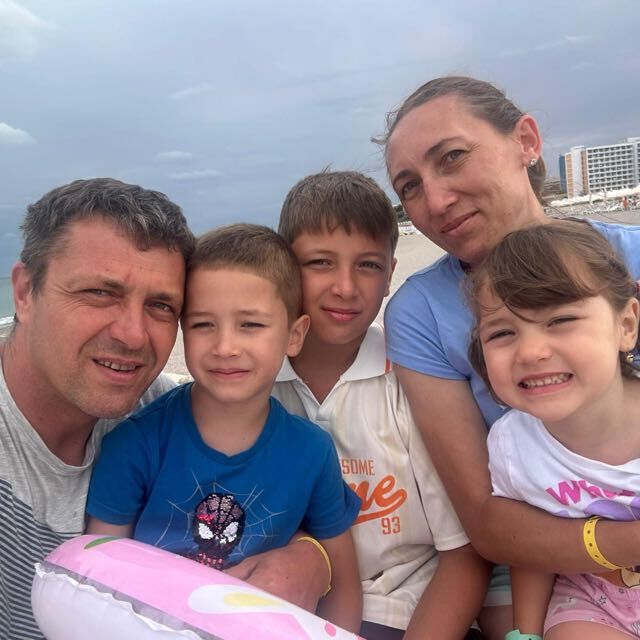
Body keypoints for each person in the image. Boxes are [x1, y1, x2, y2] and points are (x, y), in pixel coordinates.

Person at [0, 179, 327, 640]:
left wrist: (312, 556)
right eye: (100, 292)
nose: (133, 335)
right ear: (25, 292)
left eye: (160, 305)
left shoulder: (154, 403)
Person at [380, 76, 640, 639]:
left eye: (452, 157)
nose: (436, 201)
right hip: (550, 573)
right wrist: (623, 545)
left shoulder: (631, 258)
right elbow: (489, 522)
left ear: (526, 141)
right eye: (410, 187)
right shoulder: (422, 313)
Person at [87, 223, 363, 632]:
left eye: (250, 325)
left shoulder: (312, 451)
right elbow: (96, 580)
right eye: (203, 324)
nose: (225, 347)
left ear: (294, 335)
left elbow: (343, 581)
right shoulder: (134, 444)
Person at [273, 170, 489, 640]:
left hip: (405, 611)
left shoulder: (411, 382)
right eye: (320, 262)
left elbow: (465, 553)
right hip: (287, 607)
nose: (346, 287)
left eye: (368, 265)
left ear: (390, 274)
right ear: (285, 268)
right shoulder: (255, 383)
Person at [467, 221, 640, 639]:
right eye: (503, 332)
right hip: (593, 599)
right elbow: (530, 548)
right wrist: (526, 634)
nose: (531, 352)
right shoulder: (513, 444)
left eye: (561, 319)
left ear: (626, 325)